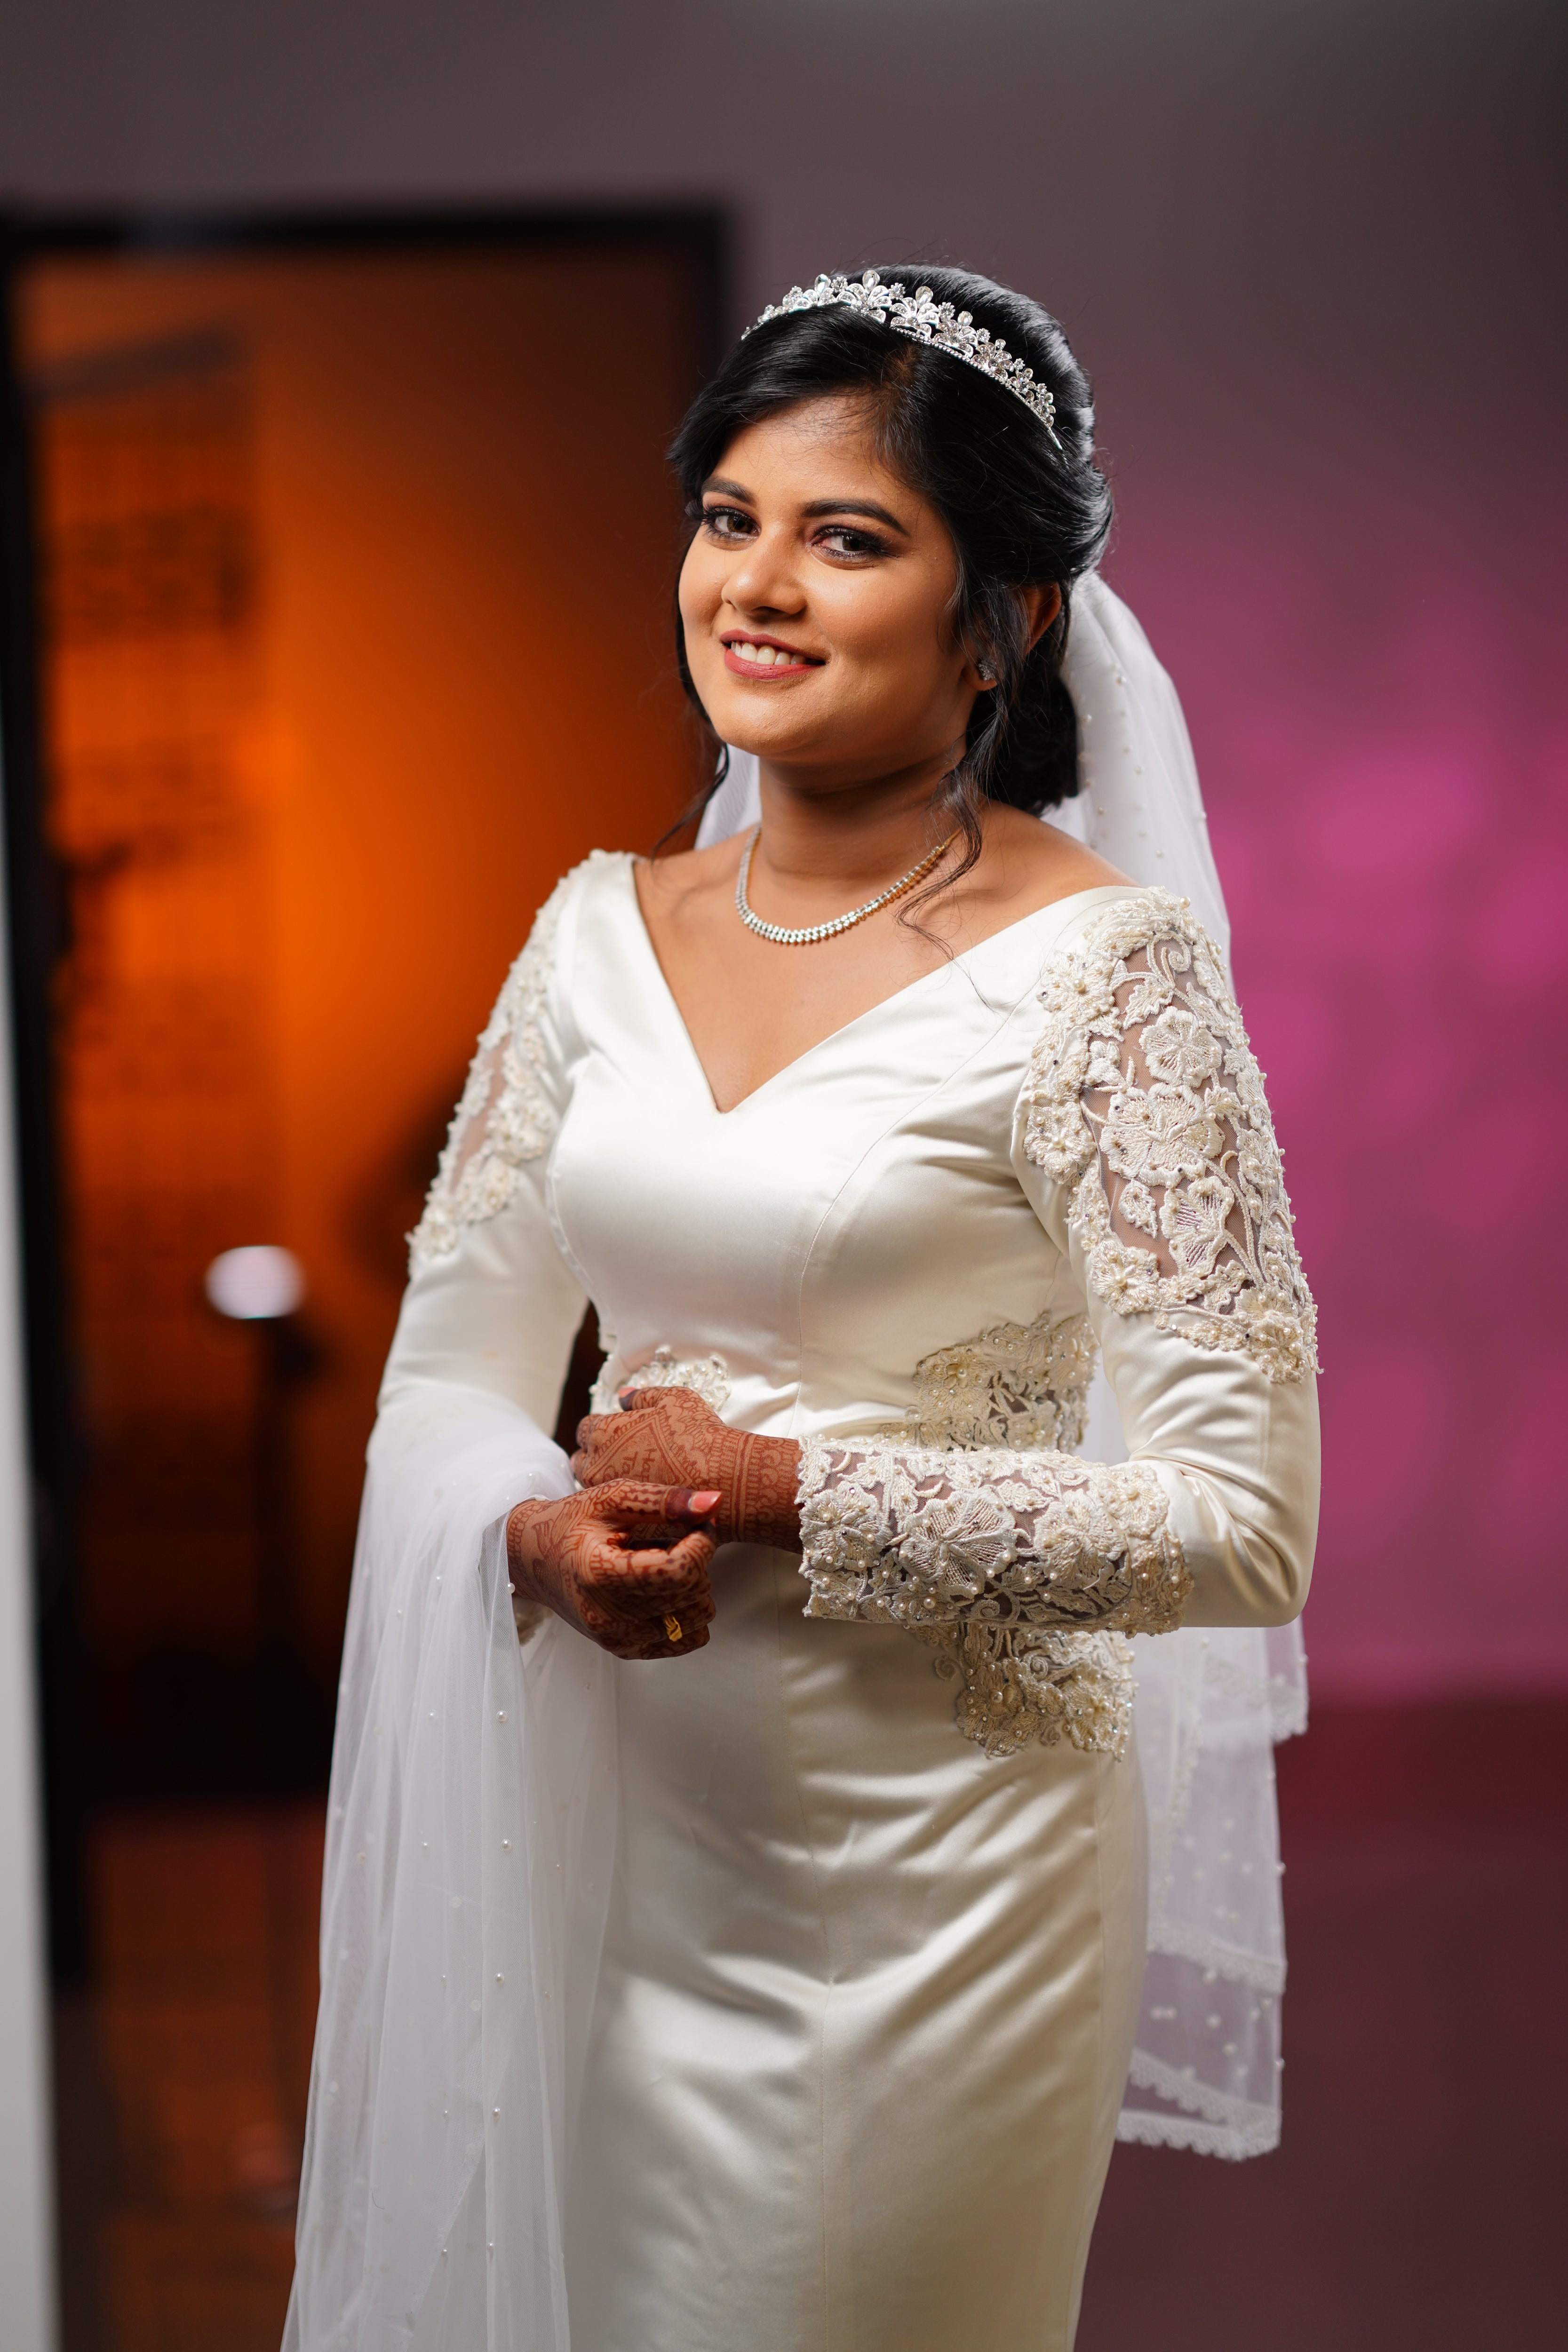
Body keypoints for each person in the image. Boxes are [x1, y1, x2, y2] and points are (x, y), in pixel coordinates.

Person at [286, 267, 1320, 2352]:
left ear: (1002, 614)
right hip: (601, 1843)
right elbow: (440, 1390)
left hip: (937, 1887)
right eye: (726, 514)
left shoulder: (1106, 979)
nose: (755, 585)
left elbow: (1240, 1517)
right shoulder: (593, 932)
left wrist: (777, 1490)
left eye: (848, 536)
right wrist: (539, 1530)